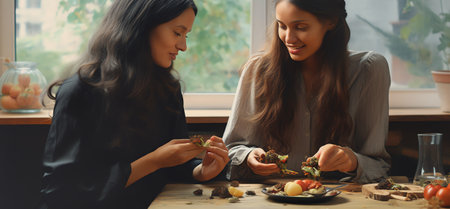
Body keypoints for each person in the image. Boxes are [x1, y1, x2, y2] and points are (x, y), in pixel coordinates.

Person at [38, 1, 229, 209]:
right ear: (143, 26)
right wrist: (153, 161)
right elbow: (62, 194)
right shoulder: (79, 91)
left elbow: (175, 168)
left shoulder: (167, 90)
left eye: (186, 35)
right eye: (177, 33)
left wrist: (200, 171)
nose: (183, 46)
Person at [224, 0, 390, 184]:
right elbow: (230, 150)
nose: (289, 38)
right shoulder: (258, 69)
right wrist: (248, 157)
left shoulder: (369, 69)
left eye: (301, 27)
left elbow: (378, 165)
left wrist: (351, 161)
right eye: (282, 26)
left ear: (331, 22)